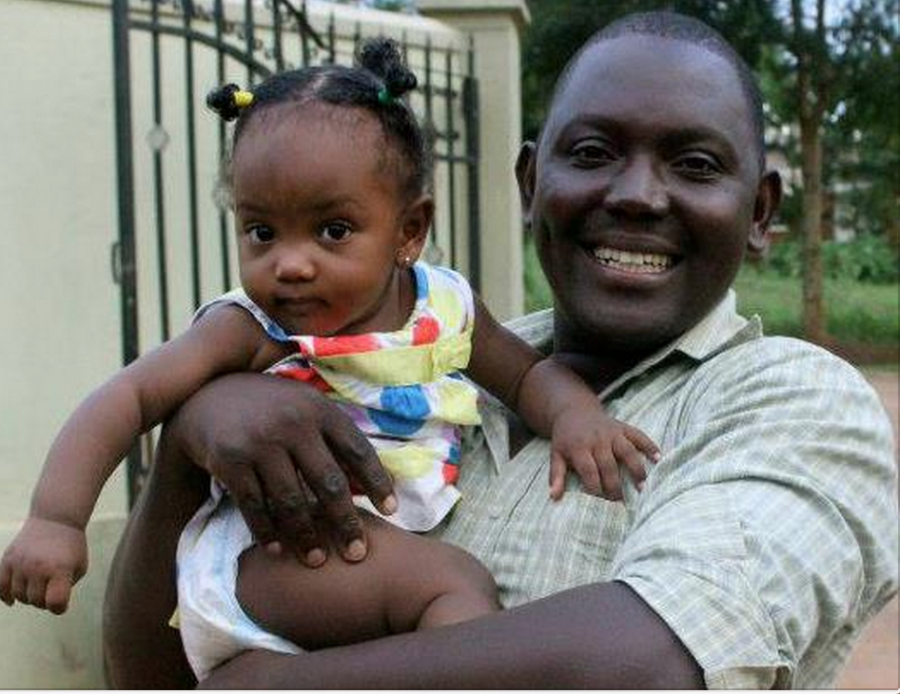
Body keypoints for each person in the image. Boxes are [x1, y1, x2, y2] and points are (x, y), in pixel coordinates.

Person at [100, 10, 898, 689]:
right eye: (591, 154)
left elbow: (651, 665)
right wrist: (191, 438)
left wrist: (269, 686)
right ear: (529, 184)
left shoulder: (794, 402)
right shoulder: (392, 365)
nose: (635, 195)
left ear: (759, 213)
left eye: (694, 166)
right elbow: (146, 671)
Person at [0, 38, 659, 681]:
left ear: (409, 231)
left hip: (358, 555)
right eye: (262, 231)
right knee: (453, 590)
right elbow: (130, 396)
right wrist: (57, 520)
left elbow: (525, 373)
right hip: (269, 558)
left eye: (333, 230)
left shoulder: (446, 306)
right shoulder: (250, 326)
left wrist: (576, 416)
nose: (290, 262)